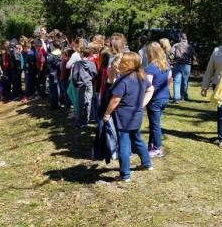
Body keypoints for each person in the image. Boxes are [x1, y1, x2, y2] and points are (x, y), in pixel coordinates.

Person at [102, 52, 154, 182]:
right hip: (137, 116)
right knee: (137, 139)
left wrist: (107, 114)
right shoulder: (141, 77)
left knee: (124, 143)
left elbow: (115, 100)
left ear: (128, 64)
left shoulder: (123, 80)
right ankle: (147, 164)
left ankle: (125, 175)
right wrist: (142, 104)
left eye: (122, 62)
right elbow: (151, 89)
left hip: (123, 117)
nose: (119, 64)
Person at [144, 42, 172, 157]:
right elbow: (170, 79)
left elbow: (148, 85)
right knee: (153, 123)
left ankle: (157, 149)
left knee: (155, 125)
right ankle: (151, 145)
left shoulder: (150, 68)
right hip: (164, 97)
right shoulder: (166, 65)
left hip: (154, 99)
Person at [72, 47, 97, 128]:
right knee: (88, 102)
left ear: (82, 54)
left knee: (80, 103)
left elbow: (74, 76)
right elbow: (94, 73)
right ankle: (86, 120)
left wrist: (75, 84)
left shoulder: (77, 64)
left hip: (80, 85)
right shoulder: (91, 63)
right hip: (89, 84)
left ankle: (80, 121)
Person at [171, 33, 197, 103]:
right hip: (187, 66)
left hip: (177, 65)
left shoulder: (176, 45)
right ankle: (183, 97)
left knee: (176, 81)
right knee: (185, 82)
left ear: (180, 38)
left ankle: (176, 98)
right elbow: (194, 56)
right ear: (186, 38)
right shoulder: (190, 46)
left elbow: (171, 55)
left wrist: (170, 62)